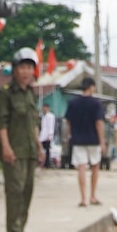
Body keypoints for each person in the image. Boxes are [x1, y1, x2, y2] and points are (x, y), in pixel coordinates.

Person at [0, 49, 43, 232]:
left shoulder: (31, 93)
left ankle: (21, 229)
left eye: (29, 68)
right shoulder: (5, 95)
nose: (26, 72)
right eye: (22, 67)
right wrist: (6, 147)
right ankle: (12, 231)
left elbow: (33, 124)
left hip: (30, 150)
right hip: (14, 149)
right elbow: (2, 123)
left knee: (27, 190)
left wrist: (39, 147)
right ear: (14, 70)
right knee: (15, 190)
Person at [64, 77, 105, 207]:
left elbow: (68, 122)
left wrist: (68, 137)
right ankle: (93, 196)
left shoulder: (72, 103)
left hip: (78, 139)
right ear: (91, 87)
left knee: (81, 167)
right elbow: (99, 123)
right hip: (93, 139)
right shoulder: (96, 103)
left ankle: (83, 198)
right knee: (95, 166)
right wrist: (102, 141)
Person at [38, 102, 57, 169]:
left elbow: (51, 126)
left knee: (47, 150)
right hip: (43, 135)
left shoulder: (51, 116)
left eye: (45, 107)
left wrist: (50, 135)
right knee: (42, 149)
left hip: (47, 135)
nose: (44, 109)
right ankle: (42, 162)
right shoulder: (44, 116)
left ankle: (47, 164)